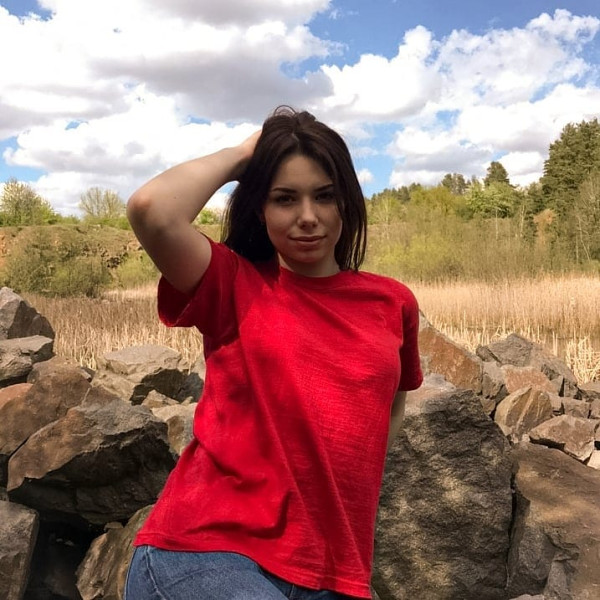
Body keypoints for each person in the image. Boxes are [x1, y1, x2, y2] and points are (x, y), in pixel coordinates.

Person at [124, 106, 423, 600]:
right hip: (204, 550)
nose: (308, 216)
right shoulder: (231, 282)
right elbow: (151, 209)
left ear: (346, 202)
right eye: (285, 198)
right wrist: (245, 155)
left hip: (336, 571)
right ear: (259, 209)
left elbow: (392, 400)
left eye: (324, 196)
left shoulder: (392, 303)